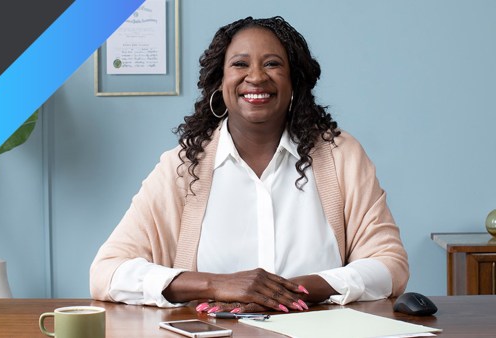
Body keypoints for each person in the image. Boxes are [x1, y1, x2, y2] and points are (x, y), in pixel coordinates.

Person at [89, 16, 409, 314]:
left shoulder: (341, 155)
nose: (255, 77)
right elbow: (107, 272)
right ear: (220, 81)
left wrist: (294, 290)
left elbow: (389, 265)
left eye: (272, 64)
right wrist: (219, 284)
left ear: (294, 81)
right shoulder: (181, 168)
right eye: (240, 64)